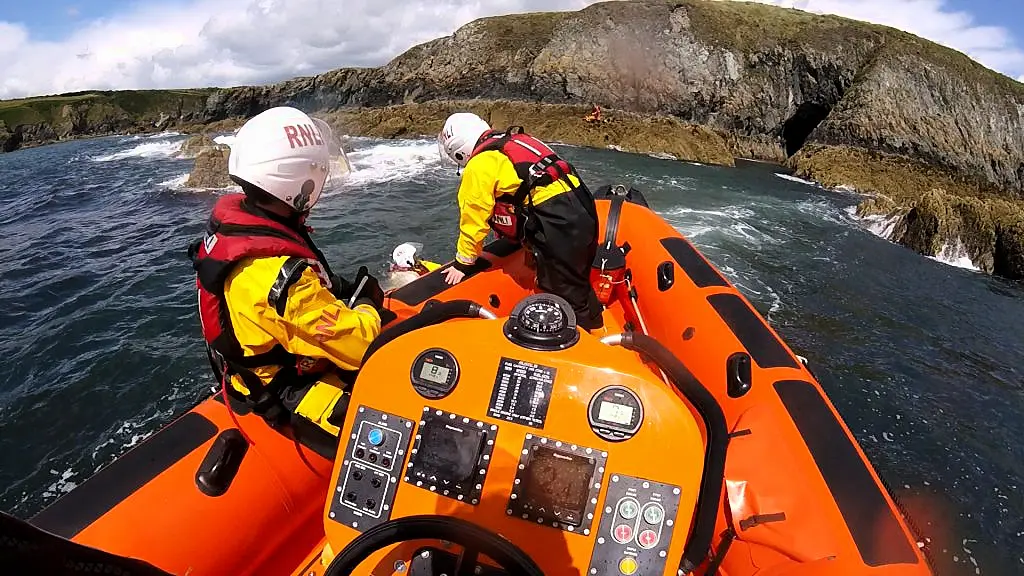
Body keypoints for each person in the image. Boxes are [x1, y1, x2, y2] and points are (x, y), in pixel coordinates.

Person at [188, 106, 386, 441]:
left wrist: (335, 286)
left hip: (248, 371)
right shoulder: (284, 279)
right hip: (284, 388)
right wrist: (366, 303)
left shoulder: (232, 233)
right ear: (302, 183)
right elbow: (361, 344)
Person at [437, 112, 604, 331]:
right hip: (581, 204)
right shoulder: (516, 141)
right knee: (575, 277)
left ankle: (582, 344)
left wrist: (463, 263)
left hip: (557, 219)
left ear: (459, 151)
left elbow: (474, 217)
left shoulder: (480, 164)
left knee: (563, 294)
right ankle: (596, 322)